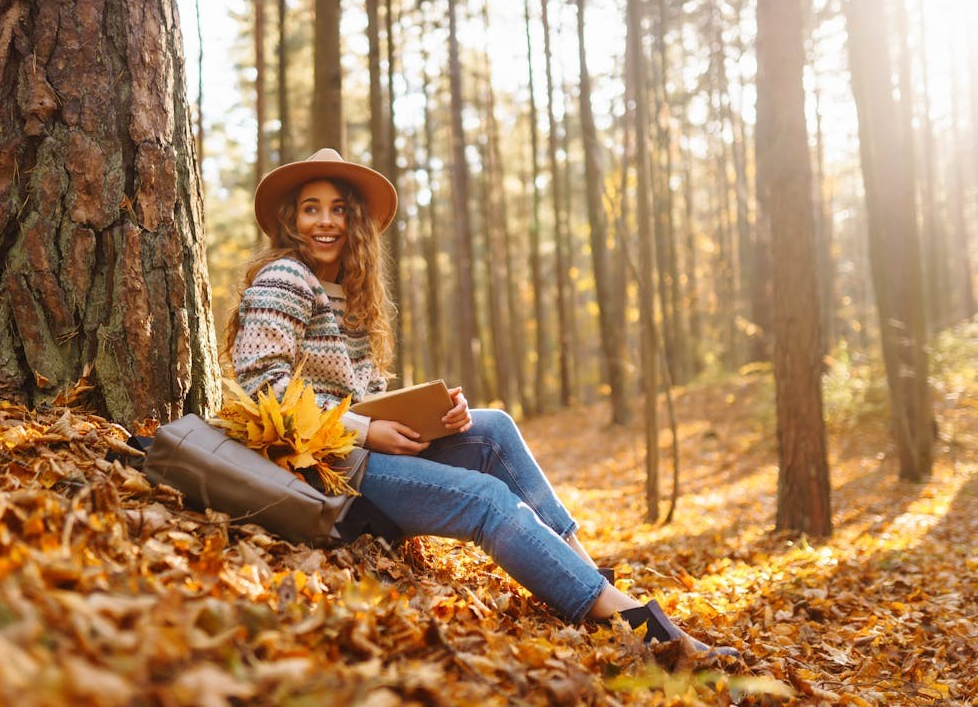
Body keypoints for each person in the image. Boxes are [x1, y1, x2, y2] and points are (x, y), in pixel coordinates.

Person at [223, 148, 737, 660]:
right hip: (323, 469)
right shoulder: (284, 280)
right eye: (311, 208)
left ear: (354, 220)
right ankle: (638, 625)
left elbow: (360, 395)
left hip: (357, 450)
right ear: (291, 220)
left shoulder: (347, 290)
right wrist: (365, 431)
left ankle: (587, 576)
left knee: (492, 429)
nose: (326, 221)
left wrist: (432, 413)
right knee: (489, 499)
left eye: (338, 208)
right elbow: (262, 388)